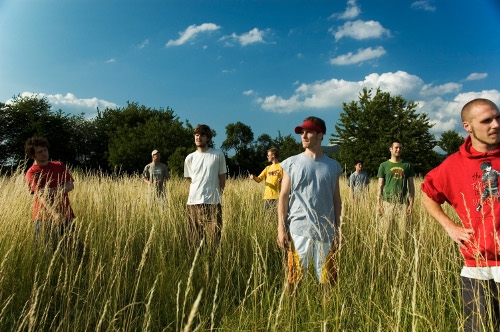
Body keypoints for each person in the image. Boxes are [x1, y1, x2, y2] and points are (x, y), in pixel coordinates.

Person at [421, 98, 500, 331]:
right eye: (487, 120)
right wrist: (450, 226)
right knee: (478, 327)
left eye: (498, 118)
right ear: (468, 126)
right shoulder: (453, 165)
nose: (495, 124)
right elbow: (428, 195)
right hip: (476, 263)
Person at [277, 116, 343, 286]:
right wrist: (281, 228)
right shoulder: (291, 163)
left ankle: (329, 311)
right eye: (302, 132)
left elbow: (337, 199)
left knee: (328, 281)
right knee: (294, 279)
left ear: (320, 135)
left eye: (309, 132)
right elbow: (283, 196)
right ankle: (290, 312)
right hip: (299, 228)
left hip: (326, 230)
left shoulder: (333, 166)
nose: (304, 136)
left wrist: (338, 229)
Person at [25, 137, 81, 255]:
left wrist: (51, 190)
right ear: (32, 155)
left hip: (66, 213)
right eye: (40, 152)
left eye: (45, 150)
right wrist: (54, 213)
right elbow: (41, 195)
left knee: (77, 250)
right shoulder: (32, 172)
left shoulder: (58, 165)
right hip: (43, 218)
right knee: (47, 253)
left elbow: (70, 185)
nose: (44, 153)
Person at [184, 124, 227, 247]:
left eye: (202, 135)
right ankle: (197, 264)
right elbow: (192, 180)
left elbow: (222, 178)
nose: (198, 138)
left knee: (215, 240)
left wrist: (218, 196)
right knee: (193, 240)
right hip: (193, 203)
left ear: (208, 138)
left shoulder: (217, 155)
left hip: (213, 203)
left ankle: (213, 265)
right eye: (196, 135)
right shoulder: (189, 158)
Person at [376, 140, 415, 238]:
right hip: (387, 202)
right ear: (390, 149)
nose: (398, 150)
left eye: (400, 148)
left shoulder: (407, 165)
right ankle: (384, 251)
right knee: (385, 233)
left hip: (402, 204)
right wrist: (379, 203)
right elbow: (380, 185)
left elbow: (411, 185)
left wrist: (411, 204)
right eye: (396, 148)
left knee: (403, 233)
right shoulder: (384, 165)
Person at [249, 147, 283, 212]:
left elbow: (287, 179)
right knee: (268, 218)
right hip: (267, 196)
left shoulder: (281, 166)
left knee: (278, 216)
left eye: (268, 155)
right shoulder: (267, 168)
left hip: (278, 196)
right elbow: (259, 179)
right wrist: (253, 177)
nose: (267, 157)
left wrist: (282, 180)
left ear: (273, 155)